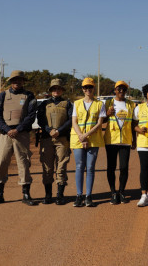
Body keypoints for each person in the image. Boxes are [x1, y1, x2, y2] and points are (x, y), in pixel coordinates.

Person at [0, 70, 38, 206]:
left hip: (21, 134)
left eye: (20, 80)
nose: (17, 82)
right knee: (1, 162)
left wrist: (18, 129)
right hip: (6, 134)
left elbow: (31, 116)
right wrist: (7, 129)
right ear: (11, 81)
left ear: (23, 81)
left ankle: (26, 194)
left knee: (23, 163)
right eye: (14, 80)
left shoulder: (29, 96)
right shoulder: (3, 95)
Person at [36, 78, 73, 205]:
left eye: (59, 88)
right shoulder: (44, 104)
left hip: (62, 139)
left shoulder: (67, 104)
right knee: (47, 167)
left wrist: (59, 130)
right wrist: (48, 129)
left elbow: (70, 120)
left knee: (61, 166)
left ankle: (60, 195)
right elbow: (40, 120)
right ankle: (48, 195)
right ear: (51, 91)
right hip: (47, 138)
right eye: (54, 89)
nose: (56, 91)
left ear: (62, 90)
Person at [70, 77, 106, 207]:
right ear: (83, 89)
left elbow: (99, 123)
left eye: (90, 87)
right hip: (78, 138)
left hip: (93, 139)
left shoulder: (100, 104)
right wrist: (81, 135)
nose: (88, 90)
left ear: (93, 89)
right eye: (85, 87)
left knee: (90, 168)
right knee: (79, 166)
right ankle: (79, 195)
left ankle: (88, 196)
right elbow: (74, 121)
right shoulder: (77, 103)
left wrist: (86, 135)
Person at [104, 80, 136, 205]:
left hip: (125, 140)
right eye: (119, 89)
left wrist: (134, 139)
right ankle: (113, 193)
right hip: (111, 140)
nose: (121, 91)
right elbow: (101, 119)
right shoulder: (108, 103)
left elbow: (134, 124)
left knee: (124, 168)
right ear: (115, 90)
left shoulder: (131, 104)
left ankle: (121, 192)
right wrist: (107, 114)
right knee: (111, 168)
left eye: (124, 89)